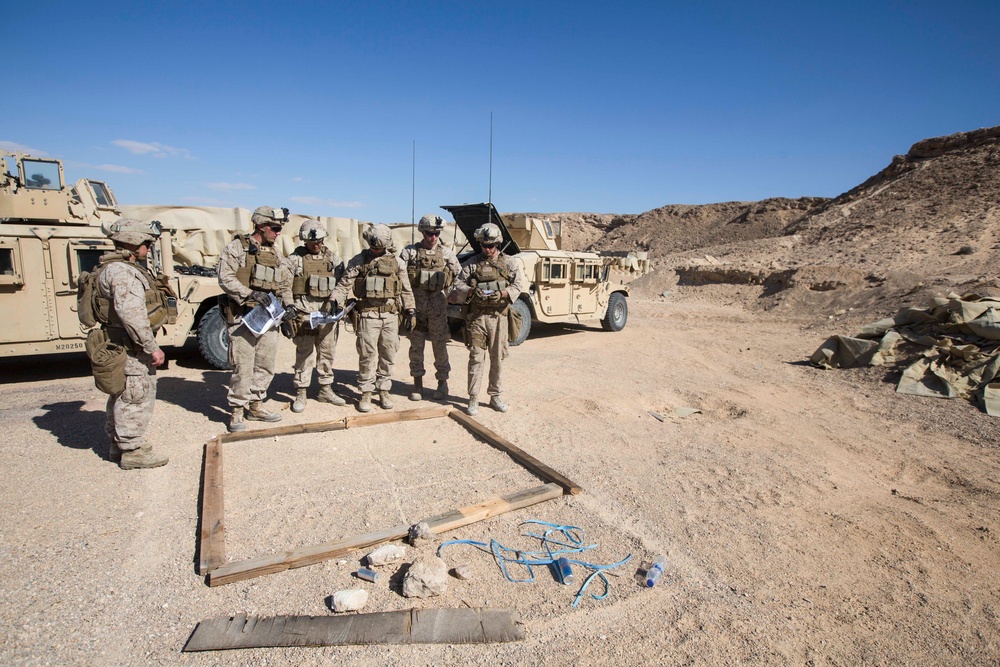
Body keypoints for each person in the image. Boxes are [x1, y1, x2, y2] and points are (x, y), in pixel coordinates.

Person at [95, 218, 176, 469]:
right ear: (133, 243)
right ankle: (132, 450)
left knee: (122, 394)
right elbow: (132, 314)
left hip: (120, 343)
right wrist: (151, 346)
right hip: (131, 347)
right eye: (146, 243)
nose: (149, 248)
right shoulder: (123, 273)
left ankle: (118, 445)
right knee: (135, 395)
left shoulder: (112, 268)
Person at [218, 205, 294, 432]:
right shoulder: (237, 248)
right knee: (243, 366)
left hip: (268, 319)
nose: (278, 232)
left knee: (265, 364)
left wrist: (289, 306)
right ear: (261, 226)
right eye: (275, 228)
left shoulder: (276, 254)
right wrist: (249, 293)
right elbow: (225, 278)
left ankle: (256, 405)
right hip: (243, 317)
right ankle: (237, 411)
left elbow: (284, 284)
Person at [329, 224, 415, 413]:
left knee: (388, 353)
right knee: (367, 355)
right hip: (368, 315)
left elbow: (406, 288)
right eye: (374, 247)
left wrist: (410, 309)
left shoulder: (397, 263)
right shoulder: (359, 261)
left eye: (380, 248)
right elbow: (344, 284)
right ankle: (366, 392)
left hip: (391, 315)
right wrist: (335, 299)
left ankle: (384, 389)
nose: (377, 251)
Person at [449, 222, 526, 416]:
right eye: (484, 245)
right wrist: (471, 291)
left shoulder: (509, 262)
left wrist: (504, 294)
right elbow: (457, 283)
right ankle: (473, 398)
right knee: (476, 358)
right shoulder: (472, 263)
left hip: (499, 318)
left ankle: (495, 396)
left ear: (498, 243)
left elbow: (518, 284)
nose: (488, 249)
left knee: (497, 359)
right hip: (477, 318)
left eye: (491, 245)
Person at [399, 214, 462, 401]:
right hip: (416, 309)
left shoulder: (447, 253)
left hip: (438, 309)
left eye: (436, 233)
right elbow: (399, 274)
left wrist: (454, 293)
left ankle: (442, 384)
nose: (433, 237)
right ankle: (417, 384)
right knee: (416, 347)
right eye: (429, 233)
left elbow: (460, 276)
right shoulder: (409, 253)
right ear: (422, 232)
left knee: (440, 347)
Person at [286, 219, 347, 412]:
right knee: (304, 354)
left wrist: (335, 301)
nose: (316, 244)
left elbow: (342, 285)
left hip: (326, 315)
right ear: (304, 240)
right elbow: (284, 286)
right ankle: (301, 392)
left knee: (327, 353)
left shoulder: (333, 260)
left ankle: (325, 389)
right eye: (312, 241)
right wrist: (289, 308)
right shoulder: (294, 260)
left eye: (320, 240)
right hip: (304, 314)